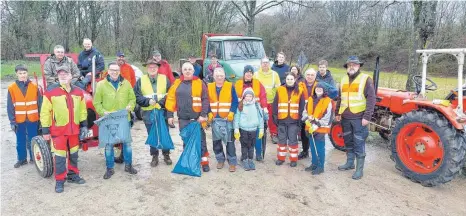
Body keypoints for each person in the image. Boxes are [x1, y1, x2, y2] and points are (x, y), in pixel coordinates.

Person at [40, 66, 87, 193]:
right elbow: (45, 112)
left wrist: (84, 125)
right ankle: (60, 180)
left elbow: (82, 110)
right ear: (57, 76)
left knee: (74, 154)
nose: (63, 76)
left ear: (71, 76)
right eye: (60, 74)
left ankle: (73, 175)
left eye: (65, 73)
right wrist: (45, 130)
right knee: (60, 157)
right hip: (58, 131)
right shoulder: (50, 91)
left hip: (74, 131)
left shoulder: (78, 91)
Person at [93, 62, 137, 179]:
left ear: (119, 71)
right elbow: (97, 103)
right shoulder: (101, 85)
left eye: (116, 70)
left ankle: (128, 165)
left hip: (123, 118)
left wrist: (130, 107)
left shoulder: (126, 83)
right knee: (109, 145)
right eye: (112, 70)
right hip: (109, 120)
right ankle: (110, 168)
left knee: (127, 144)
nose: (114, 72)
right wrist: (103, 112)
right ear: (108, 71)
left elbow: (132, 99)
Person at [335, 56, 376, 180]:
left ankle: (359, 170)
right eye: (349, 65)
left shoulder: (366, 79)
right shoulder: (343, 80)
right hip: (345, 117)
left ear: (359, 66)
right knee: (348, 141)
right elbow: (340, 98)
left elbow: (371, 99)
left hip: (359, 118)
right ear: (347, 67)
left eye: (354, 64)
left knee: (359, 143)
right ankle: (349, 163)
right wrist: (337, 113)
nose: (351, 67)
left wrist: (367, 116)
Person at [166, 62, 211, 172]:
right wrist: (170, 115)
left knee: (201, 141)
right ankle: (189, 161)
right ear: (182, 71)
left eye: (189, 69)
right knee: (186, 141)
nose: (187, 71)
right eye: (185, 69)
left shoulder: (200, 83)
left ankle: (204, 162)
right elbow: (171, 99)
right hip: (183, 119)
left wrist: (203, 115)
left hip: (197, 119)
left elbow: (205, 99)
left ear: (193, 71)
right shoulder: (176, 83)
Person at [133, 59, 172, 167]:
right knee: (152, 134)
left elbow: (170, 94)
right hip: (148, 112)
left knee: (164, 133)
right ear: (147, 68)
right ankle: (154, 156)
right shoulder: (141, 80)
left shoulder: (165, 79)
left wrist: (161, 103)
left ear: (158, 68)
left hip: (162, 111)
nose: (152, 69)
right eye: (150, 67)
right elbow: (136, 96)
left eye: (154, 67)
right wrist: (148, 101)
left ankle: (166, 154)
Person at [7, 65, 42, 167]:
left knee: (33, 139)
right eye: (20, 73)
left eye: (24, 73)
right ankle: (22, 159)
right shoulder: (11, 88)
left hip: (33, 118)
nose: (22, 75)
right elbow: (10, 107)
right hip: (19, 120)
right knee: (20, 140)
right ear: (16, 74)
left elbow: (40, 103)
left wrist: (41, 119)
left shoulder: (34, 86)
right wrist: (12, 122)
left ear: (27, 73)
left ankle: (33, 158)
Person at [207, 68, 238, 172]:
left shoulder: (230, 86)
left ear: (224, 76)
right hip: (215, 119)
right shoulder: (209, 87)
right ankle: (220, 159)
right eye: (217, 75)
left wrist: (232, 112)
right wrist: (209, 112)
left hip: (227, 119)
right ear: (213, 76)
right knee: (216, 142)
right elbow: (206, 101)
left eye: (221, 75)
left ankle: (232, 162)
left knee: (229, 142)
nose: (219, 77)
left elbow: (235, 101)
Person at [234, 65, 268, 161]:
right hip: (243, 113)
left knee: (257, 135)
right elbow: (234, 97)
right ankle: (244, 154)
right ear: (244, 74)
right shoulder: (238, 83)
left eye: (251, 73)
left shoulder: (257, 83)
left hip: (255, 111)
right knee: (244, 137)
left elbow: (263, 96)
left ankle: (258, 154)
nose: (249, 74)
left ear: (253, 74)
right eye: (247, 72)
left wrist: (264, 108)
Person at [272, 73, 305, 167]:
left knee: (293, 141)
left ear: (295, 80)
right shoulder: (280, 89)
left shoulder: (300, 90)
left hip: (294, 121)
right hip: (282, 120)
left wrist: (300, 119)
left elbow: (302, 106)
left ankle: (293, 159)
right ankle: (281, 158)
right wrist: (275, 117)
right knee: (281, 141)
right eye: (288, 79)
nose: (289, 80)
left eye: (291, 79)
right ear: (285, 80)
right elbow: (275, 104)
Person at [302, 83, 332, 175]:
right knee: (312, 148)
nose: (318, 90)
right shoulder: (310, 99)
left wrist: (317, 123)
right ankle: (314, 164)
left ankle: (320, 166)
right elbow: (305, 112)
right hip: (310, 128)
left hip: (320, 129)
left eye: (320, 89)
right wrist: (307, 118)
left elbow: (327, 117)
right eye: (317, 88)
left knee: (319, 148)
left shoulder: (328, 101)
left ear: (324, 90)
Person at [234, 88, 264, 171]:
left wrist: (261, 129)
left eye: (250, 96)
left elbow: (260, 118)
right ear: (244, 96)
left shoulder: (257, 105)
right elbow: (237, 117)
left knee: (251, 146)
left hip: (253, 129)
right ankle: (244, 159)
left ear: (253, 97)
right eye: (246, 96)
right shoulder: (241, 105)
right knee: (244, 145)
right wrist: (236, 128)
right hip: (243, 129)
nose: (248, 97)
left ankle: (250, 159)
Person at [254, 57, 281, 144]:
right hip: (259, 102)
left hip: (271, 101)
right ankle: (259, 133)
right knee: (259, 119)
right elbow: (254, 87)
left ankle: (274, 134)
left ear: (269, 64)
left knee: (272, 120)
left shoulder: (274, 74)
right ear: (261, 64)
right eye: (263, 63)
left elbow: (278, 88)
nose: (265, 64)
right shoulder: (256, 74)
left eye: (267, 63)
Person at [297, 68, 319, 160]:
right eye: (308, 75)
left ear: (315, 76)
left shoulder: (319, 86)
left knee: (315, 133)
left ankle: (316, 152)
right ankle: (305, 151)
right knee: (303, 133)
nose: (310, 77)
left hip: (315, 112)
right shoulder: (299, 85)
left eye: (312, 75)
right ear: (305, 76)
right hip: (303, 112)